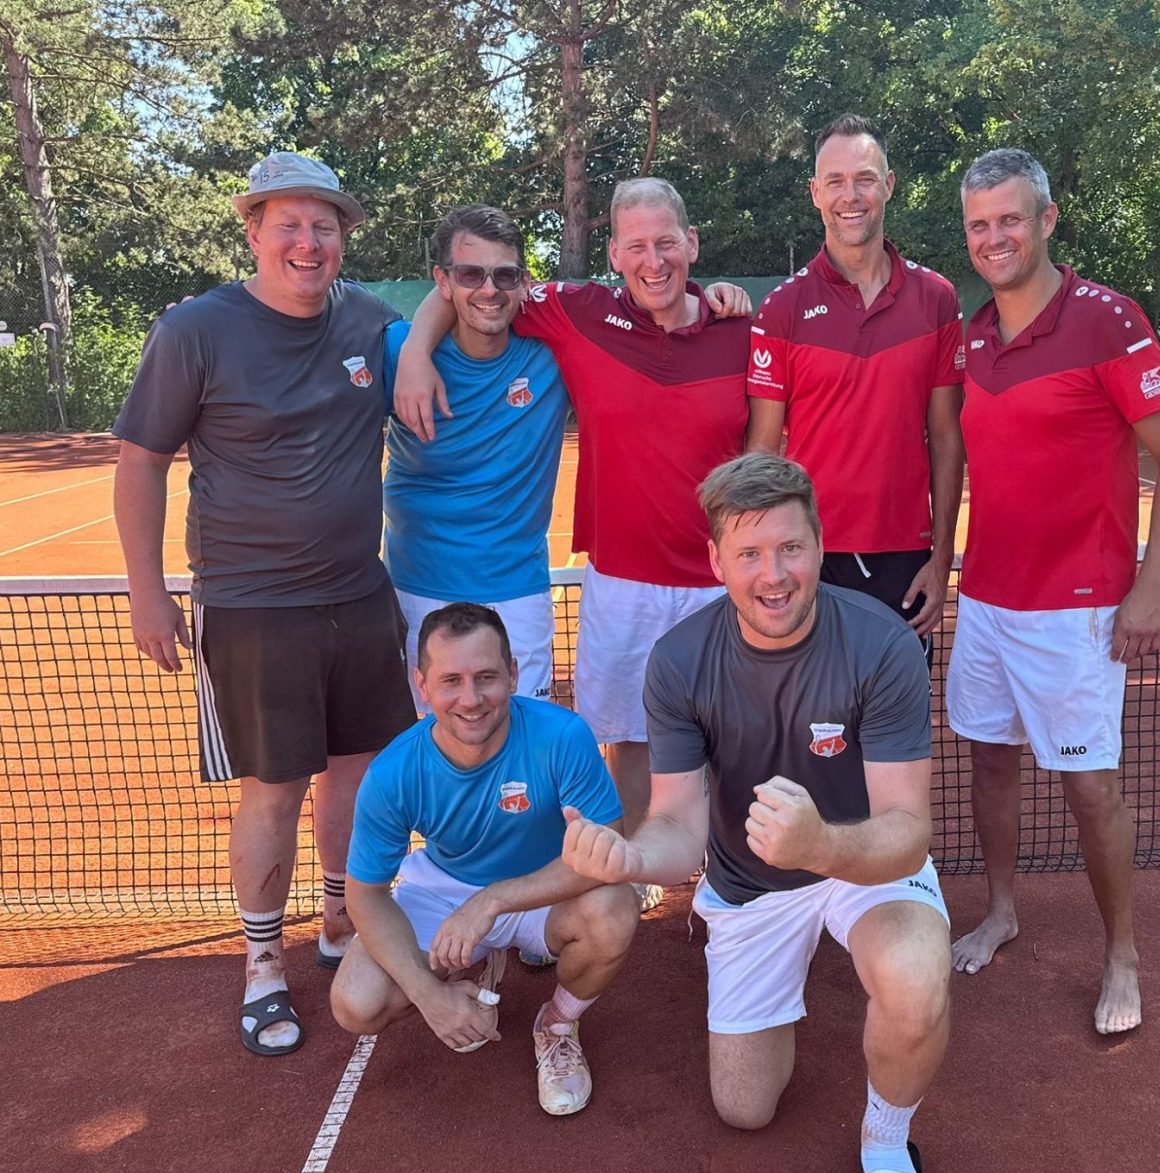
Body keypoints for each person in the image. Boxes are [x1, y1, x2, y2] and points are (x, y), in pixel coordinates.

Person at [560, 453, 950, 1173]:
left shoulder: (882, 643)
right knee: (745, 1109)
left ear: (819, 545)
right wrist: (629, 857)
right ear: (716, 561)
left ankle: (888, 1146)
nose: (773, 576)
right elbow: (679, 824)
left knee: (916, 973)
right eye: (749, 554)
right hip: (748, 882)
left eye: (790, 548)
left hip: (862, 859)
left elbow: (908, 828)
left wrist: (822, 845)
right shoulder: (678, 661)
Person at [112, 152, 416, 1057]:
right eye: (288, 224)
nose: (307, 242)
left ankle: (339, 922)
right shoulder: (194, 330)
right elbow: (141, 462)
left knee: (357, 778)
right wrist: (147, 593)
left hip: (360, 593)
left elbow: (455, 318)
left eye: (324, 226)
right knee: (273, 792)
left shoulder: (369, 318)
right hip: (251, 606)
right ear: (253, 231)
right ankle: (262, 964)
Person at [393, 179, 751, 847]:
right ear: (613, 254)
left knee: (730, 740)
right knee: (628, 739)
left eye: (667, 243)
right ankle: (639, 868)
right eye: (636, 246)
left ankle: (727, 875)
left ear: (692, 244)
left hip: (719, 582)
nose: (653, 261)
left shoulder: (741, 332)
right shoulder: (576, 313)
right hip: (620, 581)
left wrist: (725, 296)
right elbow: (474, 289)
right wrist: (415, 351)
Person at [947, 148, 1160, 1034]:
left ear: (1046, 221)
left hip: (1081, 607)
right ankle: (1001, 910)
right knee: (989, 760)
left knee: (1091, 790)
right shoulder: (973, 335)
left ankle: (1121, 952)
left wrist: (1150, 589)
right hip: (987, 599)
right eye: (979, 225)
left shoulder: (1108, 320)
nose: (994, 238)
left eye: (1010, 219)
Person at [331, 603, 638, 1116]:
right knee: (357, 1003)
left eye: (487, 677)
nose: (471, 699)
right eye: (450, 681)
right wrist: (429, 996)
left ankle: (557, 1025)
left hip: (542, 887)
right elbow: (365, 896)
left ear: (513, 674)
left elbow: (607, 849)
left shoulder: (563, 735)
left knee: (615, 908)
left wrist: (492, 901)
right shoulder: (393, 772)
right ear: (422, 685)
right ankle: (460, 977)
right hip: (444, 887)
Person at [746, 113, 964, 646]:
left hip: (905, 559)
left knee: (897, 701)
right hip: (807, 557)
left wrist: (941, 559)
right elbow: (762, 453)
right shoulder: (781, 310)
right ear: (815, 193)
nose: (851, 196)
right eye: (836, 181)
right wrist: (764, 563)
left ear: (888, 185)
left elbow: (946, 438)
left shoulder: (937, 300)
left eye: (865, 179)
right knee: (809, 704)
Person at [382, 204, 570, 708]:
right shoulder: (396, 351)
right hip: (417, 589)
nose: (489, 289)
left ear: (524, 281)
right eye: (470, 274)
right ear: (442, 280)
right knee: (433, 741)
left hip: (518, 589)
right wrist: (415, 352)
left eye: (504, 275)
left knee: (525, 740)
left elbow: (644, 303)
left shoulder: (554, 349)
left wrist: (708, 297)